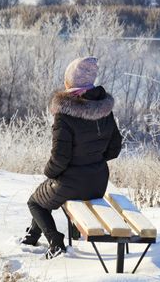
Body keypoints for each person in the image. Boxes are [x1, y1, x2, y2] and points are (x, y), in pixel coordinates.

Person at [20, 56, 122, 259]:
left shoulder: (65, 114)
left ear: (70, 82)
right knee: (45, 192)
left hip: (71, 184)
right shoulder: (105, 110)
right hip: (98, 182)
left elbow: (59, 159)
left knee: (35, 203)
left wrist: (49, 172)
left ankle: (55, 242)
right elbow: (114, 150)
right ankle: (31, 237)